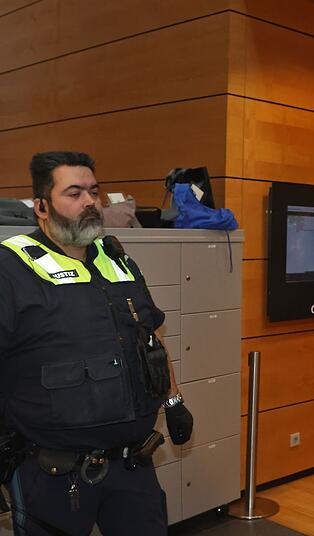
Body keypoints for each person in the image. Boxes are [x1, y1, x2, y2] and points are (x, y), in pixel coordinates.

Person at [0, 151, 193, 535]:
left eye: (94, 191)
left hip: (132, 465)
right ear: (41, 207)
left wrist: (173, 402)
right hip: (52, 473)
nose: (90, 202)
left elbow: (151, 339)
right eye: (74, 193)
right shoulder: (11, 267)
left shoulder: (118, 261)